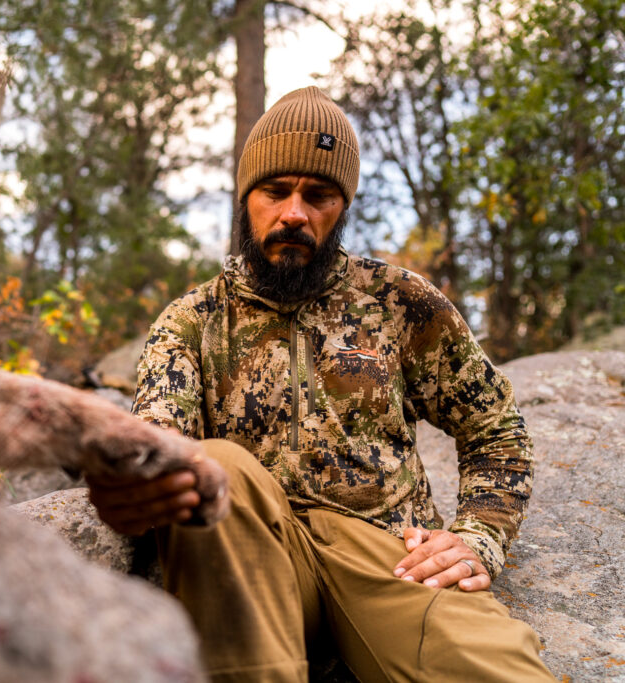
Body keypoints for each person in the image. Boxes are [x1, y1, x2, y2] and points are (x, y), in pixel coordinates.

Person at [87, 87, 555, 682]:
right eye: (275, 191)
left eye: (320, 195)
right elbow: (161, 452)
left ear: (344, 206)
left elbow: (495, 430)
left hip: (388, 555)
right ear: (245, 198)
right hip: (254, 558)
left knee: (501, 672)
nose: (294, 214)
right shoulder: (191, 324)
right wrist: (126, 482)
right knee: (213, 466)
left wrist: (477, 536)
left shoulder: (400, 303)